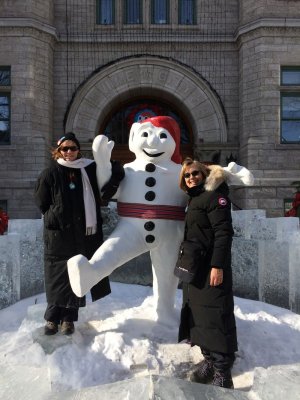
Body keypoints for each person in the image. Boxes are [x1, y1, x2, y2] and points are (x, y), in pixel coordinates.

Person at [34, 132, 124, 335]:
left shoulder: (89, 168)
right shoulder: (50, 173)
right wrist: (55, 216)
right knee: (57, 276)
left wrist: (115, 169)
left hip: (84, 234)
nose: (69, 152)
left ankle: (68, 319)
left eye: (72, 148)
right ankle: (51, 319)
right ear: (58, 151)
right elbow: (41, 201)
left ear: (78, 150)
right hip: (58, 235)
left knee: (77, 273)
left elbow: (110, 172)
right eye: (64, 149)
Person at [178, 157, 238, 389]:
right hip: (195, 268)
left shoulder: (215, 197)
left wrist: (218, 266)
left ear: (204, 174)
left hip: (211, 267)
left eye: (195, 174)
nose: (191, 178)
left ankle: (223, 372)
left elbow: (223, 233)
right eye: (187, 175)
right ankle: (210, 361)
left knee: (216, 316)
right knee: (199, 315)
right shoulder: (194, 199)